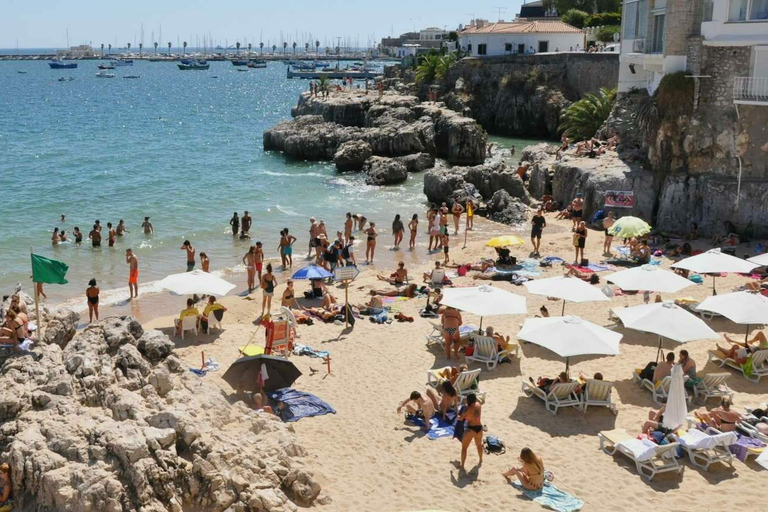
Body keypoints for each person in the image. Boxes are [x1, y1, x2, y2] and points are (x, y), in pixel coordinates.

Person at [458, 393, 483, 471]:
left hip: (471, 429)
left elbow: (461, 418)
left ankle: (462, 466)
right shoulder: (479, 405)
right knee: (479, 445)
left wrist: (458, 416)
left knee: (464, 448)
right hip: (479, 428)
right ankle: (481, 459)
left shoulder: (467, 409)